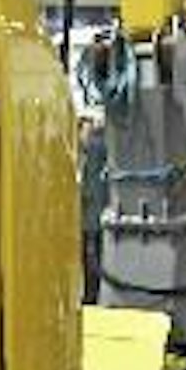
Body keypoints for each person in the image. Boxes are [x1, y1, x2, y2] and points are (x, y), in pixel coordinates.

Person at [79, 112, 108, 305]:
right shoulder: (100, 147)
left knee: (91, 260)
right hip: (96, 217)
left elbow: (87, 188)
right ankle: (94, 295)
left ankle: (91, 297)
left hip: (90, 218)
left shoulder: (92, 149)